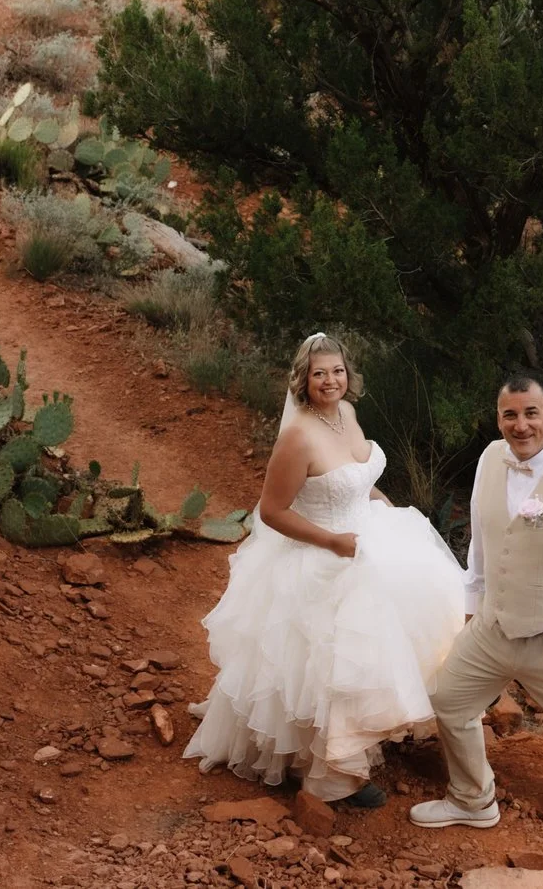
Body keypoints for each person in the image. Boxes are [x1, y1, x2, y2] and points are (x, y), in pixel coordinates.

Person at [182, 331, 467, 806]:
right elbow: (272, 511)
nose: (330, 381)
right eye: (319, 374)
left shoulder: (348, 415)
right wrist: (332, 541)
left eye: (337, 371)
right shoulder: (297, 437)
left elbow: (354, 479)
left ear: (348, 375)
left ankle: (365, 733)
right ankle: (329, 771)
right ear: (303, 381)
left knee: (387, 643)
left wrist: (384, 507)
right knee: (330, 662)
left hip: (369, 536)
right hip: (322, 549)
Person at [411, 372, 543, 889]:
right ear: (499, 419)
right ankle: (473, 799)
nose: (521, 424)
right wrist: (473, 603)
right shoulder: (490, 458)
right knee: (449, 700)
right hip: (495, 626)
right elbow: (483, 539)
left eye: (532, 413)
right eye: (510, 414)